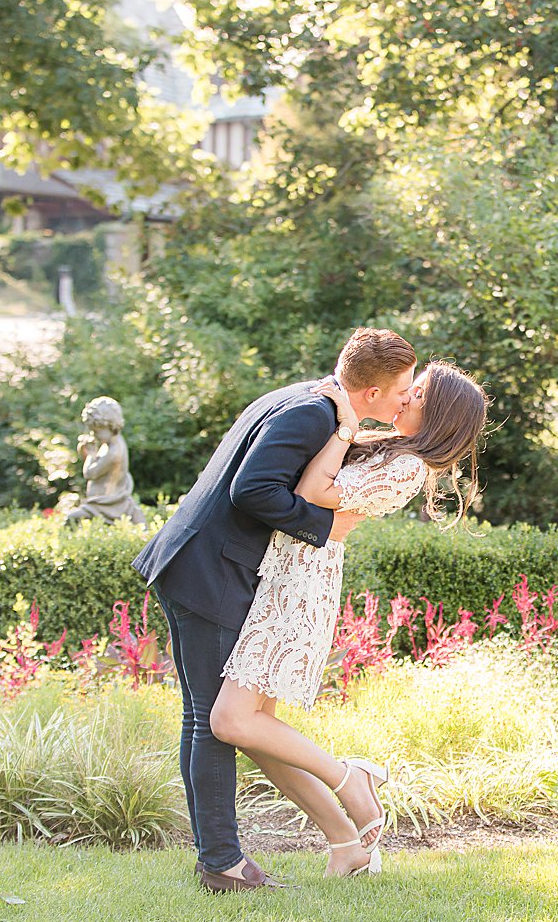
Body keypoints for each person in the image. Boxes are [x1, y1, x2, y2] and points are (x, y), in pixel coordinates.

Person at [131, 328, 417, 893]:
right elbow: (252, 490)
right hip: (209, 570)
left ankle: (230, 860)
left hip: (200, 563)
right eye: (403, 389)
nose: (407, 399)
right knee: (213, 722)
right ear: (373, 392)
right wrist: (325, 528)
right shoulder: (314, 413)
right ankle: (224, 865)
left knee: (210, 718)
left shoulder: (314, 402)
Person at [211, 360, 489, 877]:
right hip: (286, 572)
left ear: (439, 414)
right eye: (408, 388)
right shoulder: (394, 449)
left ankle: (351, 778)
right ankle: (346, 844)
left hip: (297, 586)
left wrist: (344, 425)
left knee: (232, 721)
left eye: (418, 394)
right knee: (253, 729)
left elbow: (313, 494)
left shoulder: (407, 467)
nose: (403, 398)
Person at [64, 396, 146, 525]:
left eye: (96, 431)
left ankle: (64, 543)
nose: (93, 435)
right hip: (102, 501)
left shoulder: (113, 452)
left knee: (71, 518)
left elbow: (90, 474)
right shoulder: (110, 444)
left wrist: (91, 454)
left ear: (109, 425)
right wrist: (86, 452)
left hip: (107, 505)